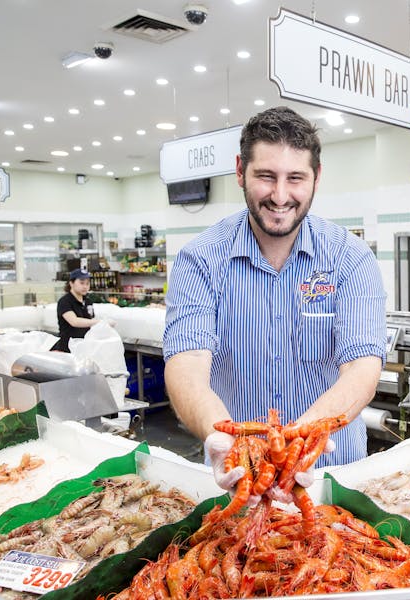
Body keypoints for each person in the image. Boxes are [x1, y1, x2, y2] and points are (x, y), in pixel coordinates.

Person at [163, 106, 387, 494]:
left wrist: (301, 440)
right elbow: (187, 365)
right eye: (266, 176)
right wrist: (222, 440)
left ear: (316, 178)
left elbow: (362, 367)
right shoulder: (199, 259)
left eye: (295, 178)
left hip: (334, 473)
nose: (280, 196)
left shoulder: (351, 258)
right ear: (239, 172)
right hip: (235, 472)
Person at [51, 269, 103, 352]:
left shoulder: (88, 301)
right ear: (71, 283)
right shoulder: (65, 301)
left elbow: (90, 320)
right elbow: (74, 321)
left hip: (83, 346)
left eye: (87, 283)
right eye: (81, 283)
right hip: (67, 347)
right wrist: (98, 322)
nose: (85, 286)